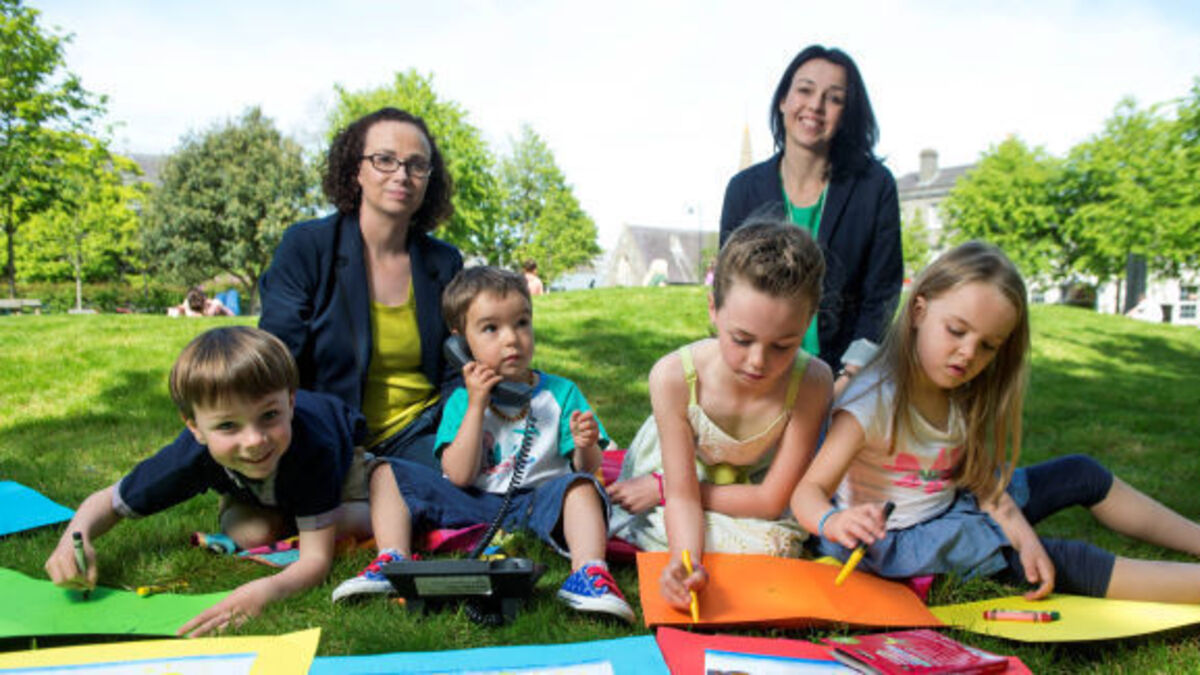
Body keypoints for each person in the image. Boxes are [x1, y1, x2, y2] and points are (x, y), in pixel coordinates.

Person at [792, 241, 1200, 604]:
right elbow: (808, 492)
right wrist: (835, 522)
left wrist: (1023, 537)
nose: (968, 353)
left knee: (1081, 472)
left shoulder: (959, 390)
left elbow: (982, 481)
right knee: (1068, 560)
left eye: (987, 346)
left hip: (952, 506)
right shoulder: (872, 403)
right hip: (896, 547)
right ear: (918, 311)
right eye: (956, 331)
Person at [330, 266, 634, 622]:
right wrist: (476, 406)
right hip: (472, 499)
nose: (512, 339)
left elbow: (586, 468)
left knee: (582, 488)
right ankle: (391, 561)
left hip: (538, 500)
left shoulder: (562, 392)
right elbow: (458, 475)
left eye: (522, 323)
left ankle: (588, 572)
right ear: (461, 344)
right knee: (385, 472)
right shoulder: (462, 401)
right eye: (491, 328)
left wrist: (585, 444)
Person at [44, 326, 372, 637]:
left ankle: (316, 511)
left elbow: (315, 561)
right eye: (228, 426)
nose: (254, 440)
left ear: (290, 401)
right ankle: (284, 508)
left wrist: (266, 590)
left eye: (269, 415)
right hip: (261, 485)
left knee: (355, 522)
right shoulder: (189, 458)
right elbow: (110, 501)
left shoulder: (316, 446)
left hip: (338, 464)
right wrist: (72, 540)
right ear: (195, 428)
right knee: (254, 535)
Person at [607, 221, 832, 612]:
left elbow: (770, 501)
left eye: (783, 345)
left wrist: (663, 491)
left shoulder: (813, 381)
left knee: (775, 546)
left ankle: (660, 500)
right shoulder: (673, 377)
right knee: (686, 534)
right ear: (713, 309)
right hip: (678, 471)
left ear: (808, 321)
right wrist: (686, 563)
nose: (758, 361)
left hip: (751, 487)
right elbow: (682, 496)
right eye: (742, 339)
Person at [259, 108, 462, 469]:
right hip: (326, 430)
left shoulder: (444, 262)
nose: (402, 175)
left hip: (420, 432)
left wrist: (456, 434)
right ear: (356, 169)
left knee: (469, 482)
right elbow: (276, 358)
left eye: (417, 165)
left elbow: (457, 366)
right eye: (385, 160)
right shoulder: (307, 246)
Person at [720, 45, 902, 398]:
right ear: (783, 100)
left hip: (843, 377)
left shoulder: (875, 186)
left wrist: (848, 379)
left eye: (834, 98)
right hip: (758, 370)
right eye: (805, 90)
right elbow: (729, 290)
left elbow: (882, 294)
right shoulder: (743, 189)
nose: (815, 106)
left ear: (847, 113)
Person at [169, 286, 234, 317]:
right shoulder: (213, 309)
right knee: (232, 292)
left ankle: (224, 292)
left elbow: (183, 306)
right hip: (230, 309)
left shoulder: (189, 307)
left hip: (218, 303)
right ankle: (227, 292)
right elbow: (231, 314)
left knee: (221, 295)